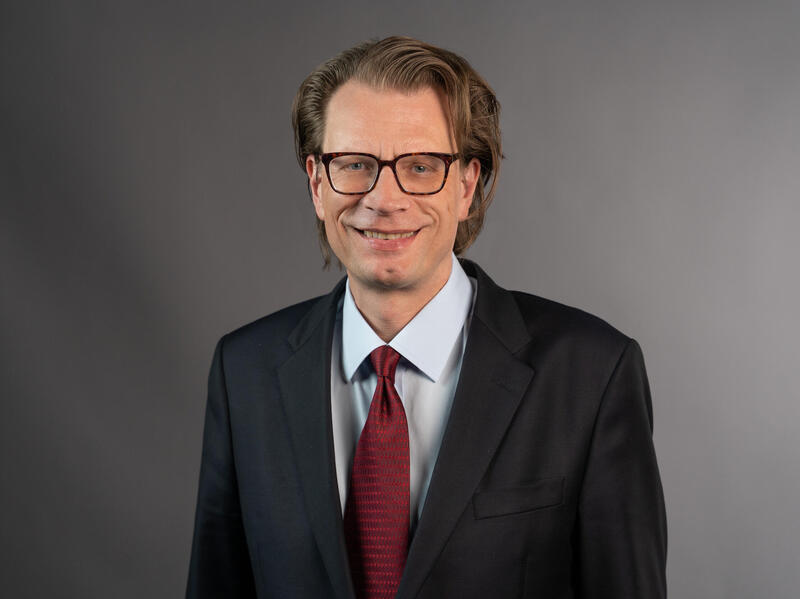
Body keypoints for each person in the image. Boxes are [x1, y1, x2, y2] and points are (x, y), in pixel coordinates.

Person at [186, 36, 667, 599]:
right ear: (317, 184)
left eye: (420, 166)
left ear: (466, 185)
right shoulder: (244, 372)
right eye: (355, 164)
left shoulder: (592, 374)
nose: (384, 199)